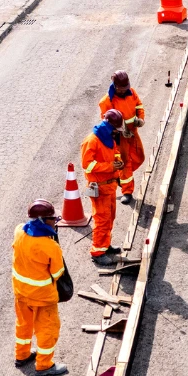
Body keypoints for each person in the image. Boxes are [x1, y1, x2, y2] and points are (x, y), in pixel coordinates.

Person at [11, 200, 69, 376]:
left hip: (21, 292)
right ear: (44, 221)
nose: (55, 221)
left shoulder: (19, 230)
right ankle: (44, 365)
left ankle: (22, 355)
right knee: (47, 330)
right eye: (53, 218)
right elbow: (58, 273)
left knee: (24, 325)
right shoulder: (50, 246)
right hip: (42, 297)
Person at [81, 109, 126, 265]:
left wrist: (118, 161)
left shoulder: (108, 138)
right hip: (99, 189)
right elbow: (87, 165)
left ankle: (105, 245)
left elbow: (115, 152)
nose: (116, 132)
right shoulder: (92, 141)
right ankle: (97, 252)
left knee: (110, 218)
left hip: (109, 187)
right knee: (102, 220)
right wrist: (110, 166)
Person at [98, 70, 145, 205]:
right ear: (115, 86)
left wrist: (140, 119)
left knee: (139, 157)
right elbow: (107, 121)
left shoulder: (132, 92)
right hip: (120, 137)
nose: (125, 91)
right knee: (125, 163)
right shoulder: (107, 101)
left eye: (126, 88)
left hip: (133, 133)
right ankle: (127, 191)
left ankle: (120, 176)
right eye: (122, 88)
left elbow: (139, 106)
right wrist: (121, 131)